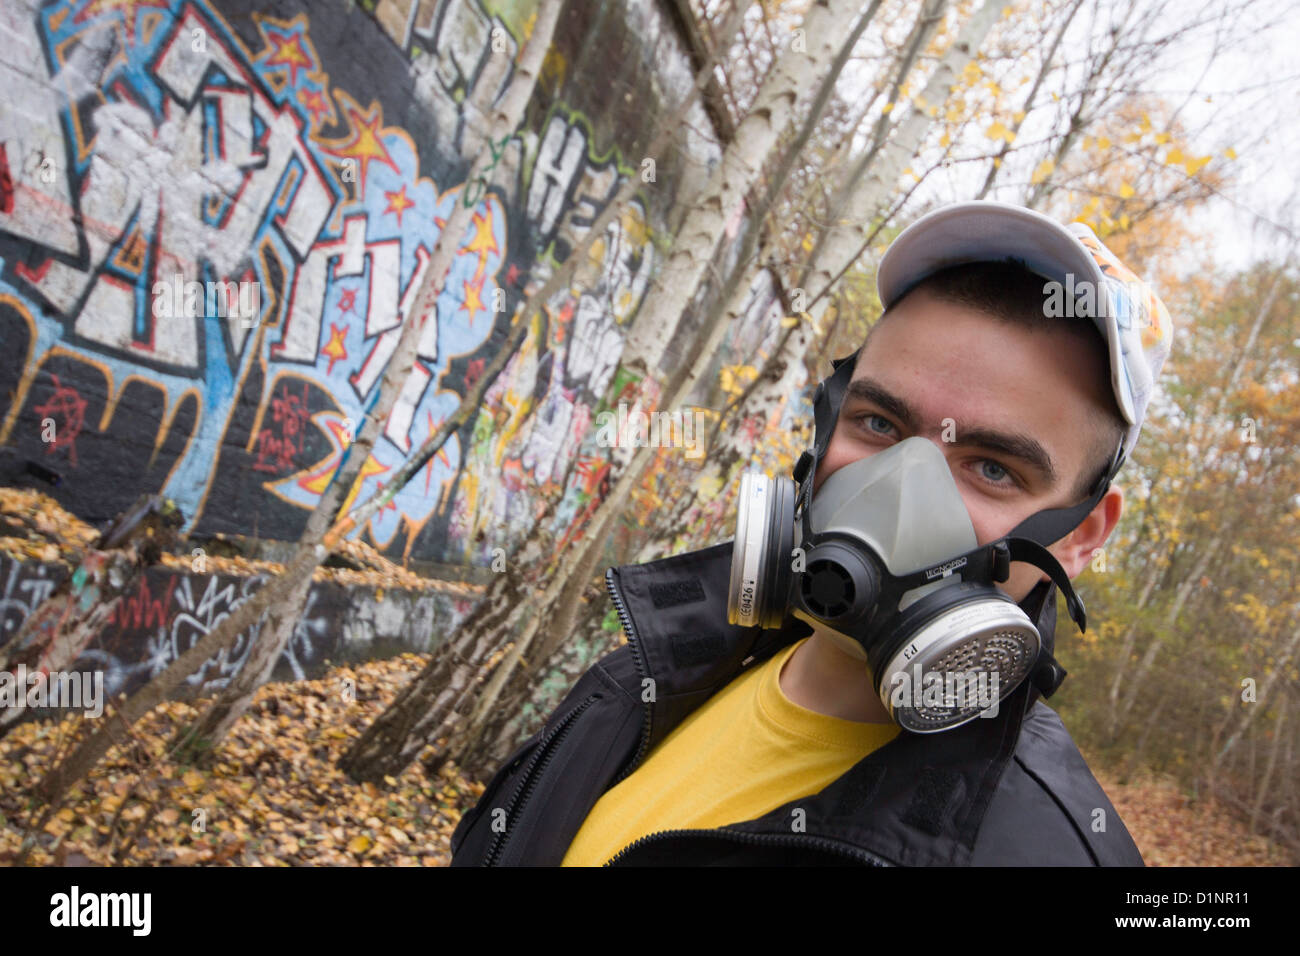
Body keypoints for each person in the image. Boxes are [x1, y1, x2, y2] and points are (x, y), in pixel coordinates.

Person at [449, 200, 1173, 867]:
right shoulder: (660, 667)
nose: (896, 490)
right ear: (826, 423)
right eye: (879, 424)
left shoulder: (1045, 851)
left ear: (1081, 536)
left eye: (990, 467)